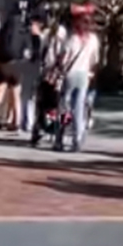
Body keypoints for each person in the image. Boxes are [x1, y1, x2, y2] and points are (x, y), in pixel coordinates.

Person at [50, 9, 102, 152]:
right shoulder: (93, 40)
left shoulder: (72, 39)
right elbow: (95, 60)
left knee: (64, 108)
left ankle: (59, 139)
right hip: (84, 75)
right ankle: (77, 140)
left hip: (70, 74)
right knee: (79, 108)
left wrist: (59, 67)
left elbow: (64, 58)